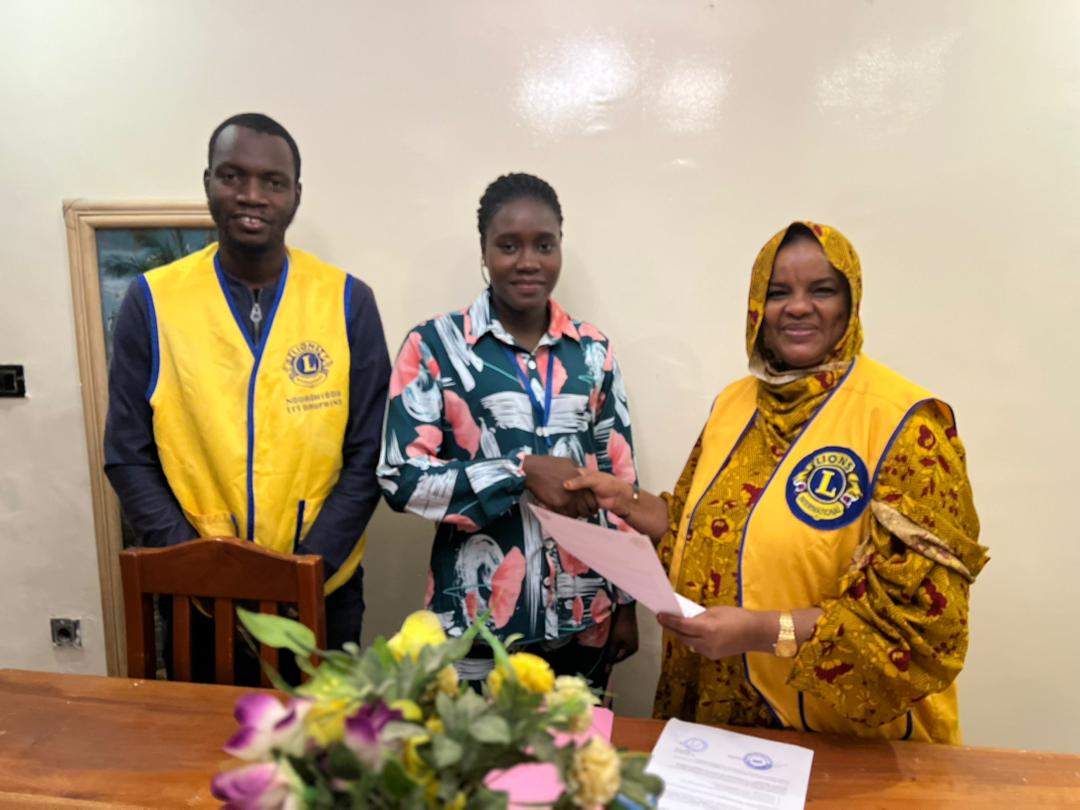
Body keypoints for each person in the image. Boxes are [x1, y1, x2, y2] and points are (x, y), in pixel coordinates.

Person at [566, 222, 989, 742]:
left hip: (846, 743)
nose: (798, 307)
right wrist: (627, 501)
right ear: (756, 307)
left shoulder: (906, 423)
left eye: (822, 290)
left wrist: (760, 632)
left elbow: (922, 621)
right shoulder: (734, 404)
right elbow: (709, 531)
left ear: (850, 300)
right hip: (719, 727)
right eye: (778, 291)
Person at [104, 113, 390, 672]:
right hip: (198, 597)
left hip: (322, 589)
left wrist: (301, 569)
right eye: (233, 177)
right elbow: (127, 454)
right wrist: (203, 566)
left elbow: (370, 452)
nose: (251, 196)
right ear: (208, 181)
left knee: (323, 752)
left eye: (272, 182)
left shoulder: (348, 300)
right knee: (202, 750)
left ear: (296, 195)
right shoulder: (153, 302)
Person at [378, 172, 638, 690]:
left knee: (573, 766)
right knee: (477, 764)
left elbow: (618, 480)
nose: (527, 261)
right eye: (508, 245)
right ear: (484, 250)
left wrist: (626, 600)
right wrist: (520, 471)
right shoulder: (434, 346)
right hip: (474, 622)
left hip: (583, 619)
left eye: (544, 244)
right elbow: (400, 477)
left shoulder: (592, 351)